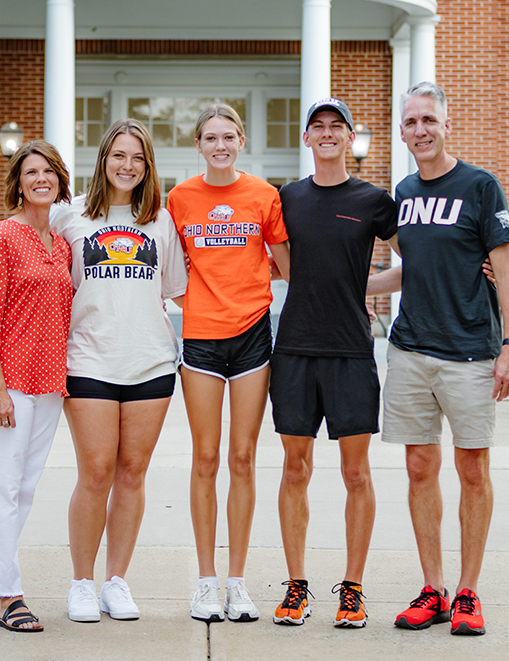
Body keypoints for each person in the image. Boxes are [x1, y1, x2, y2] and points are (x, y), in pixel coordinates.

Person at [379, 81, 509, 636]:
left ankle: (468, 592)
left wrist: (508, 346)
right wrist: (347, 285)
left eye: (428, 120)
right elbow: (415, 269)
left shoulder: (481, 186)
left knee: (472, 470)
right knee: (418, 467)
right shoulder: (404, 192)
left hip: (471, 351)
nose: (420, 130)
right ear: (402, 130)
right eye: (411, 122)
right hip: (410, 348)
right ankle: (432, 588)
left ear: (445, 124)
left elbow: (502, 268)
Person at [50, 119, 188, 623]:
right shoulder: (70, 219)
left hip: (150, 361)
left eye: (137, 158)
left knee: (132, 473)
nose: (127, 165)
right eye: (118, 156)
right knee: (97, 473)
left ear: (147, 166)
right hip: (88, 360)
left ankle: (115, 582)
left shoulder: (161, 222)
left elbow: (177, 292)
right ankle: (81, 582)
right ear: (103, 160)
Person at [269, 98, 399, 628]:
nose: (327, 134)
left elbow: (417, 256)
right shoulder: (287, 198)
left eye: (336, 127)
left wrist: (365, 285)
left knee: (355, 473)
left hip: (350, 351)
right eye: (317, 127)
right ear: (307, 139)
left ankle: (353, 588)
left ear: (349, 139)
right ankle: (297, 586)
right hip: (296, 348)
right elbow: (275, 264)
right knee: (295, 469)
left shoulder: (373, 200)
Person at [167, 104, 290, 622]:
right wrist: (197, 299)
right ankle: (204, 583)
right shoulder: (179, 198)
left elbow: (288, 267)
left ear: (241, 141)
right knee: (205, 459)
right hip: (199, 340)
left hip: (252, 340)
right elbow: (167, 265)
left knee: (242, 459)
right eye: (210, 138)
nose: (220, 145)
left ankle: (237, 583)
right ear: (198, 145)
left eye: (228, 137)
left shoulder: (264, 196)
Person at [0, 141, 72, 632]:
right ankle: (9, 594)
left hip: (50, 384)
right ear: (18, 182)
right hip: (8, 383)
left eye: (48, 170)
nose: (40, 179)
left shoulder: (63, 243)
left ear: (59, 178)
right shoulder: (2, 237)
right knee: (2, 487)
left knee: (22, 489)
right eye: (30, 172)